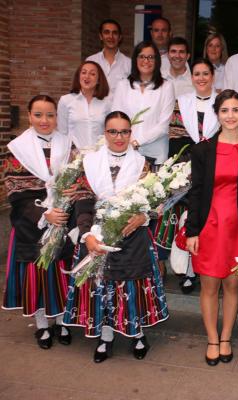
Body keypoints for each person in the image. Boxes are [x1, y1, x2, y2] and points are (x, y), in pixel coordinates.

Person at [62, 111, 169, 362]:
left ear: (131, 134)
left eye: (124, 131)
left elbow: (155, 200)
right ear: (105, 133)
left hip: (133, 237)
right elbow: (83, 201)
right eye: (113, 131)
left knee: (133, 287)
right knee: (103, 285)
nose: (119, 137)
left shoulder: (143, 163)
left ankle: (137, 333)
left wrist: (145, 217)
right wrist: (87, 233)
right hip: (98, 234)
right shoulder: (89, 162)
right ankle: (106, 336)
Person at [185, 90, 238, 366]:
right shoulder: (203, 149)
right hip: (210, 225)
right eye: (225, 110)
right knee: (208, 286)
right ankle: (212, 339)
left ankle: (227, 337)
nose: (230, 116)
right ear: (217, 114)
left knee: (232, 285)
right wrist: (192, 231)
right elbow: (195, 192)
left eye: (235, 110)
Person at [3, 95, 76, 349]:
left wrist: (68, 199)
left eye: (50, 115)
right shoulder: (17, 149)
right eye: (38, 115)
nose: (44, 120)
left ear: (57, 116)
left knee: (63, 275)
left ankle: (65, 322)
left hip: (64, 218)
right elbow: (15, 191)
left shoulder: (68, 145)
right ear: (29, 116)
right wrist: (44, 213)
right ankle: (43, 325)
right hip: (32, 223)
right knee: (38, 275)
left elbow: (78, 181)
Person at [154, 58, 221, 293]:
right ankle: (188, 272)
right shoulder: (180, 103)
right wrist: (185, 170)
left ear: (213, 76)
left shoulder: (223, 101)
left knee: (209, 219)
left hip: (216, 167)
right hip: (187, 168)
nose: (201, 78)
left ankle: (205, 268)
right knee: (187, 219)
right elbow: (176, 140)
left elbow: (229, 138)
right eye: (197, 74)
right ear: (191, 77)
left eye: (205, 73)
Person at [112, 40, 175, 165]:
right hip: (126, 149)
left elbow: (163, 125)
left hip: (155, 152)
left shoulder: (166, 86)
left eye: (151, 57)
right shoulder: (123, 85)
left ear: (157, 61)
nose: (146, 61)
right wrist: (127, 141)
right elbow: (116, 118)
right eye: (142, 56)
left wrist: (136, 141)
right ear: (135, 59)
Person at [58, 61, 111, 149]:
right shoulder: (66, 101)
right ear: (79, 76)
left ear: (98, 80)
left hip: (99, 155)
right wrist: (70, 152)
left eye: (92, 74)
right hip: (74, 156)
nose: (87, 76)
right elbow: (62, 133)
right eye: (83, 72)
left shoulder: (106, 103)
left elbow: (108, 132)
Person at [86, 19, 131, 96]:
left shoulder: (129, 64)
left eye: (115, 33)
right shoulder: (91, 61)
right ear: (101, 36)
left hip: (119, 108)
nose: (111, 36)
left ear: (120, 37)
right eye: (107, 32)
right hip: (95, 107)